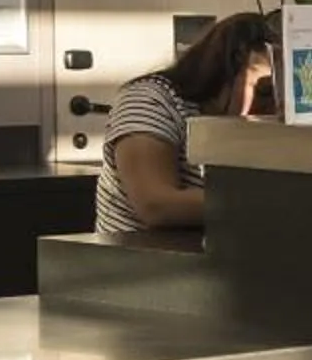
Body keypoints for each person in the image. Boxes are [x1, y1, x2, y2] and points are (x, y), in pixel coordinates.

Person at [95, 12, 273, 234]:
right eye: (264, 90)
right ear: (227, 67)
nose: (273, 106)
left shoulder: (248, 124)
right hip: (143, 260)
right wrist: (270, 204)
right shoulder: (151, 99)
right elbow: (156, 204)